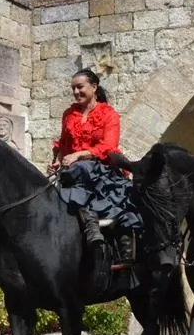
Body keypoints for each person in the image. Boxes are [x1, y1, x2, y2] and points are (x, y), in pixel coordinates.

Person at [48, 68, 139, 296]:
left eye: (80, 87)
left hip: (103, 170)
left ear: (94, 87)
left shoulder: (109, 115)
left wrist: (79, 155)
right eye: (73, 88)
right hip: (74, 173)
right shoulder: (69, 114)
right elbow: (64, 144)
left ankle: (107, 237)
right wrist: (57, 160)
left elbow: (109, 147)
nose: (76, 92)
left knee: (81, 168)